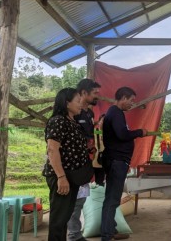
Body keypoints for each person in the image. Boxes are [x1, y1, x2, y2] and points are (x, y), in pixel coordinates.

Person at [101, 86, 148, 241]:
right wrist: (139, 132)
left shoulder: (116, 113)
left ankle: (111, 229)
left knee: (112, 198)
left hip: (117, 161)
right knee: (112, 199)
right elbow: (122, 134)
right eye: (131, 100)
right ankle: (107, 235)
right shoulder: (115, 112)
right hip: (116, 161)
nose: (131, 104)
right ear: (123, 97)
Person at [43, 88, 89, 241]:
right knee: (58, 220)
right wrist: (61, 177)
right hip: (61, 176)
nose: (80, 104)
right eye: (77, 100)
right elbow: (52, 149)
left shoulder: (73, 123)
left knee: (65, 217)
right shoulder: (58, 121)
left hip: (73, 177)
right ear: (67, 103)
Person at [67, 79, 101, 241]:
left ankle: (75, 233)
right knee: (73, 199)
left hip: (86, 161)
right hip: (73, 162)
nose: (97, 96)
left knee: (81, 198)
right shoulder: (72, 113)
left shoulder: (90, 113)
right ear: (83, 93)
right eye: (95, 93)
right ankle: (73, 235)